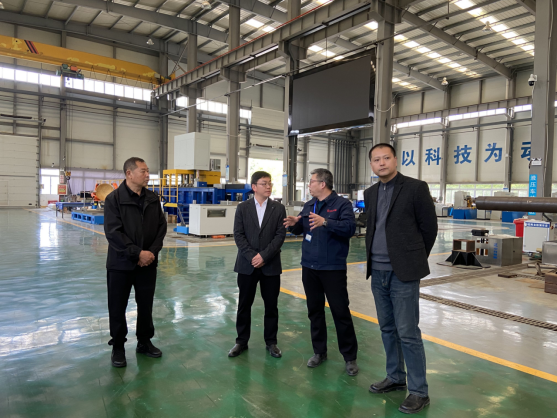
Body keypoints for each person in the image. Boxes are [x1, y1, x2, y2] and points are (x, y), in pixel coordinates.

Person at [364, 143, 438, 414]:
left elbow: (429, 228)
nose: (381, 163)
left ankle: (419, 391)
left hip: (403, 273)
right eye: (376, 160)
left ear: (395, 160)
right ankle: (395, 377)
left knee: (407, 332)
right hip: (377, 271)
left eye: (386, 158)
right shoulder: (370, 193)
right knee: (387, 328)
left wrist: (413, 258)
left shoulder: (416, 188)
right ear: (371, 165)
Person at [283, 168, 359, 376]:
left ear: (322, 184)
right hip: (309, 267)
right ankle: (319, 351)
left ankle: (349, 357)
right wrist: (294, 224)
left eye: (311, 182)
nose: (309, 185)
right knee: (314, 311)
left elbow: (349, 229)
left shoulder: (342, 205)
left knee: (340, 311)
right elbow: (301, 229)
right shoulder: (309, 205)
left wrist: (325, 222)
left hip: (332, 268)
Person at [104, 157, 167, 368]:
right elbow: (113, 233)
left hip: (147, 264)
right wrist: (137, 253)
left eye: (148, 171)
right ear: (129, 174)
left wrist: (151, 253)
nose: (147, 175)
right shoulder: (114, 199)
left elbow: (161, 228)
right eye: (143, 171)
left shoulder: (152, 198)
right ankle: (118, 346)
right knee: (117, 306)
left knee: (146, 304)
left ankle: (144, 341)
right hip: (120, 264)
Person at [229, 171, 287, 358]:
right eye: (264, 183)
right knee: (244, 305)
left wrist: (264, 256)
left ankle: (271, 342)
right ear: (254, 187)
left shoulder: (278, 208)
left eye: (270, 183)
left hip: (270, 265)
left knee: (271, 306)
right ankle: (241, 341)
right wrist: (252, 256)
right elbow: (238, 234)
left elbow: (280, 235)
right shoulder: (242, 208)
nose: (268, 186)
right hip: (247, 265)